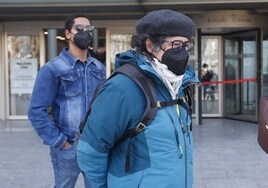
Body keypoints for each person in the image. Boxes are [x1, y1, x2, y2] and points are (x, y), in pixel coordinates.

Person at [77, 9, 199, 188]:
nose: (182, 53)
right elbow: (91, 151)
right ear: (150, 45)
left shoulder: (178, 85)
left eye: (186, 45)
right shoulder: (123, 88)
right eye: (176, 44)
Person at [28, 13, 105, 188]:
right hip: (67, 146)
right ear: (68, 34)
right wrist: (61, 142)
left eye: (89, 29)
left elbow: (103, 105)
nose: (85, 32)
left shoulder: (99, 68)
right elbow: (35, 111)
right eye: (79, 29)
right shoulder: (53, 68)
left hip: (94, 146)